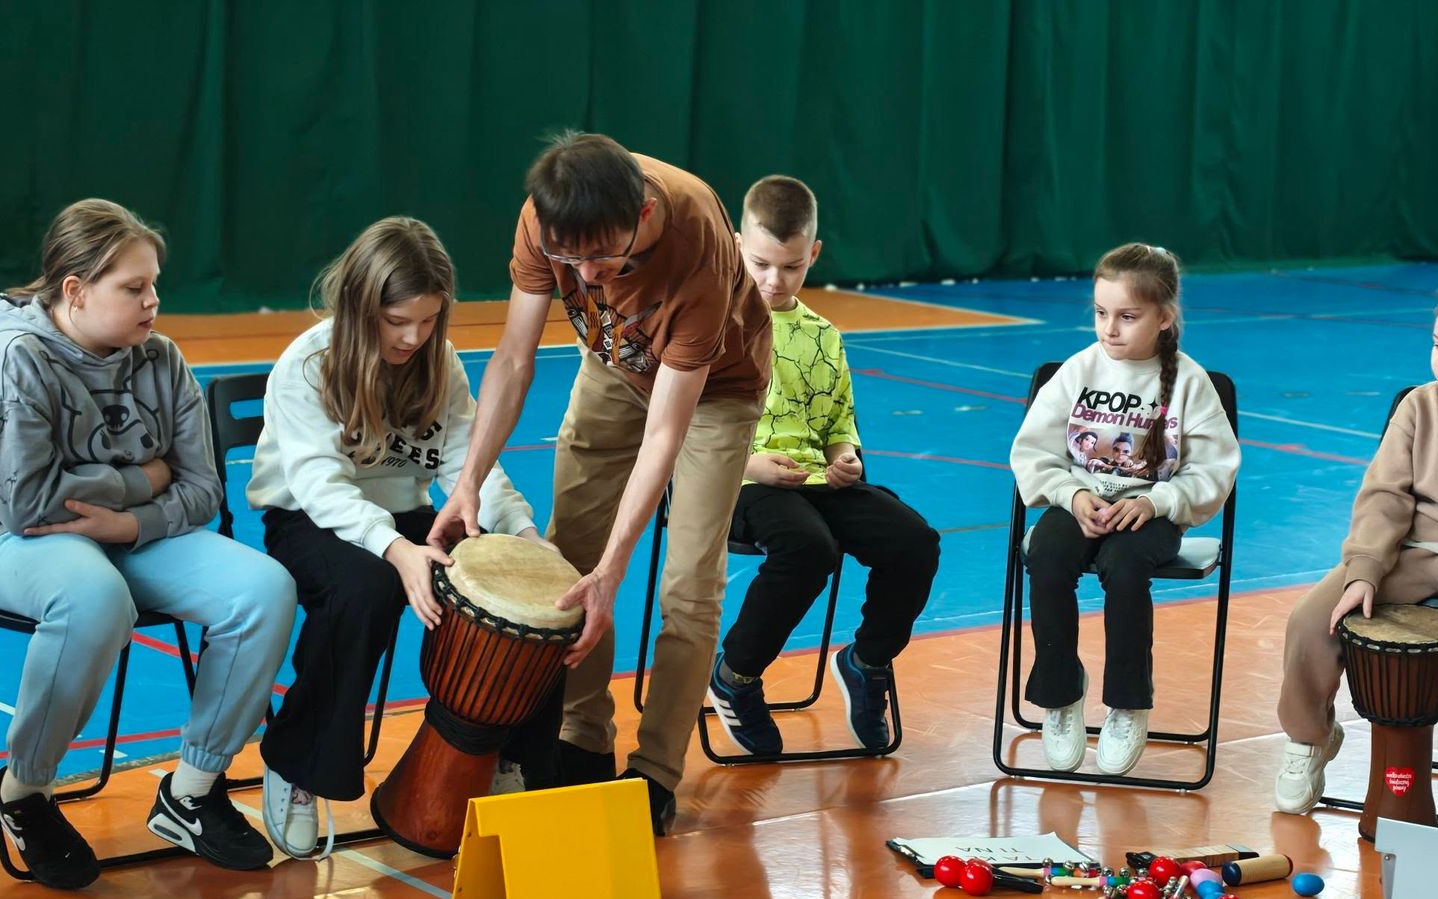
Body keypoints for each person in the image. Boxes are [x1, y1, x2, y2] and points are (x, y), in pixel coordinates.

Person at [427, 132, 771, 835]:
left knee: (687, 585)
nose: (586, 276)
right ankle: (582, 737)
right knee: (568, 564)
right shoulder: (544, 217)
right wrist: (467, 483)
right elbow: (514, 358)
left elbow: (665, 434)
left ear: (643, 215)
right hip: (614, 367)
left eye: (603, 257)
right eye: (570, 259)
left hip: (713, 391)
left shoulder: (696, 245)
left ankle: (655, 772)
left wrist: (616, 568)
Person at [0, 198, 297, 889]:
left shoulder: (161, 357)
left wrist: (127, 523)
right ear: (75, 291)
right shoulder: (12, 358)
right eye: (134, 288)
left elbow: (203, 488)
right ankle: (25, 791)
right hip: (6, 538)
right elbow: (27, 503)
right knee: (93, 597)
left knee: (264, 588)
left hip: (130, 534)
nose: (154, 301)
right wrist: (143, 478)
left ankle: (191, 792)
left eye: (154, 284)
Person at [247, 217, 558, 859]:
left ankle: (509, 761)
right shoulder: (308, 363)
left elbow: (470, 465)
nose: (413, 337)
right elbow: (318, 485)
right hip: (309, 518)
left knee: (538, 604)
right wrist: (395, 550)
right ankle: (296, 764)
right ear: (361, 307)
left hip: (407, 517)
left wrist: (525, 536)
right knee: (366, 589)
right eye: (397, 322)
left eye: (427, 321)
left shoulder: (439, 364)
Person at [705, 175, 940, 755]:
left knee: (915, 541)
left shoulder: (822, 335)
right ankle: (735, 675)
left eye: (790, 267)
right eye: (761, 264)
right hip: (734, 481)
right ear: (737, 246)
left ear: (813, 254)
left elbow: (837, 426)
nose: (773, 280)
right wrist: (751, 465)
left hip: (814, 484)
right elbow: (681, 426)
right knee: (809, 547)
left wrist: (844, 460)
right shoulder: (708, 321)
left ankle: (867, 662)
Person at [1274, 278, 1438, 837]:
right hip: (1410, 552)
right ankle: (1310, 738)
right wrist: (1364, 571)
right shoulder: (1418, 406)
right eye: (1437, 344)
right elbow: (1385, 497)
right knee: (1312, 620)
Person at [1009, 242, 1240, 776]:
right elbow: (1033, 453)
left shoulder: (1191, 383)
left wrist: (1157, 501)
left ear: (1164, 318)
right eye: (1100, 313)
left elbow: (1214, 471)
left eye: (1127, 317)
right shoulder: (1078, 370)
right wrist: (1071, 494)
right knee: (1046, 554)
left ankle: (1127, 704)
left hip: (1151, 513)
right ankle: (1061, 694)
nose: (1109, 329)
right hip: (1080, 502)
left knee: (1127, 564)